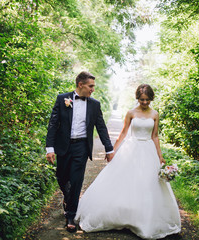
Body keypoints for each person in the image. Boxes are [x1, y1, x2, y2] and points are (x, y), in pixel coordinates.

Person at [75, 84, 181, 239]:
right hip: (132, 148)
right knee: (126, 181)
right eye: (141, 99)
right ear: (137, 98)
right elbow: (124, 132)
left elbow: (155, 136)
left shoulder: (155, 114)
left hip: (148, 150)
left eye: (147, 100)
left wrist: (160, 155)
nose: (144, 102)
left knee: (147, 184)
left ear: (151, 98)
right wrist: (112, 150)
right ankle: (123, 216)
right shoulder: (131, 112)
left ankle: (143, 218)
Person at [45, 71, 115, 233]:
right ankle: (68, 198)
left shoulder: (95, 105)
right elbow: (53, 125)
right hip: (63, 146)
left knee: (76, 180)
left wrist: (109, 148)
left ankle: (71, 216)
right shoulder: (63, 99)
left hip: (81, 147)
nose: (92, 89)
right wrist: (50, 148)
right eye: (90, 86)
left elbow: (101, 127)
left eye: (93, 86)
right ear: (80, 84)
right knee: (61, 177)